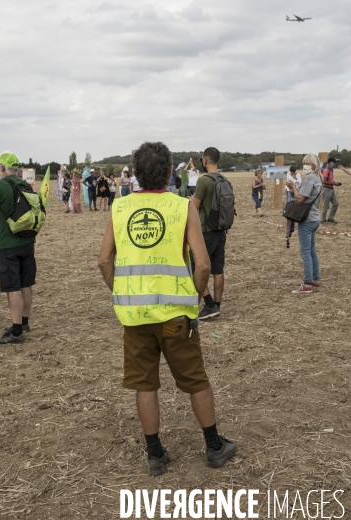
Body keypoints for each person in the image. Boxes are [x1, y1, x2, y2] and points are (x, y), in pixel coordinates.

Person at [98, 141, 237, 477]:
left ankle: (155, 454)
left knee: (144, 384)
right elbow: (202, 265)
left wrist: (122, 292)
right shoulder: (182, 207)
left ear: (136, 172)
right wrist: (193, 301)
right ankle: (214, 446)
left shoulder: (119, 208)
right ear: (169, 171)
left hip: (135, 317)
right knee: (195, 380)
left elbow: (104, 260)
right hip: (177, 315)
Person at [0, 151, 36, 343]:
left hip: (7, 244)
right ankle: (25, 322)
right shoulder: (26, 185)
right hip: (27, 242)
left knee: (12, 287)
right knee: (25, 283)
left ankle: (16, 331)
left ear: (3, 168)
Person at [191, 147, 226, 320]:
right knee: (218, 269)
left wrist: (190, 201)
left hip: (206, 230)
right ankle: (217, 305)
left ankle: (209, 304)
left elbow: (195, 207)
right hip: (221, 230)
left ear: (205, 160)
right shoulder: (224, 179)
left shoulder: (204, 181)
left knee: (195, 266)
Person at [286, 153, 322, 294]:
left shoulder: (309, 178)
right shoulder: (318, 179)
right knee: (312, 250)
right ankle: (315, 280)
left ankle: (307, 284)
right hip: (315, 218)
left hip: (306, 220)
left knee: (306, 252)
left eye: (306, 163)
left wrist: (293, 187)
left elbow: (301, 198)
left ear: (312, 165)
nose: (304, 166)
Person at [321, 157, 341, 224]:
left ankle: (330, 218)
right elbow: (324, 181)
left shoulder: (331, 170)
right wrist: (333, 183)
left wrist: (334, 183)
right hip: (326, 189)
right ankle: (323, 220)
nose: (335, 164)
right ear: (330, 162)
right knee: (326, 205)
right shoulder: (326, 170)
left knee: (336, 203)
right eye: (334, 162)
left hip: (331, 189)